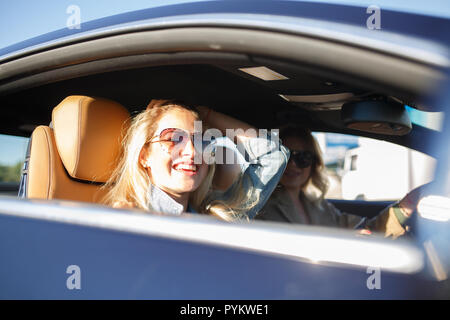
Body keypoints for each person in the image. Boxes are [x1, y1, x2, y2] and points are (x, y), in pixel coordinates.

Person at [103, 99, 289, 221]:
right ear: (144, 156)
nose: (192, 152)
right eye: (173, 138)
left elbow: (273, 156)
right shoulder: (130, 218)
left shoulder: (217, 218)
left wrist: (204, 113)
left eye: (199, 140)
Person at [255, 126, 429, 239]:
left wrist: (407, 204)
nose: (293, 164)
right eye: (286, 156)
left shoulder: (321, 207)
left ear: (314, 164)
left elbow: (368, 230)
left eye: (303, 157)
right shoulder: (258, 206)